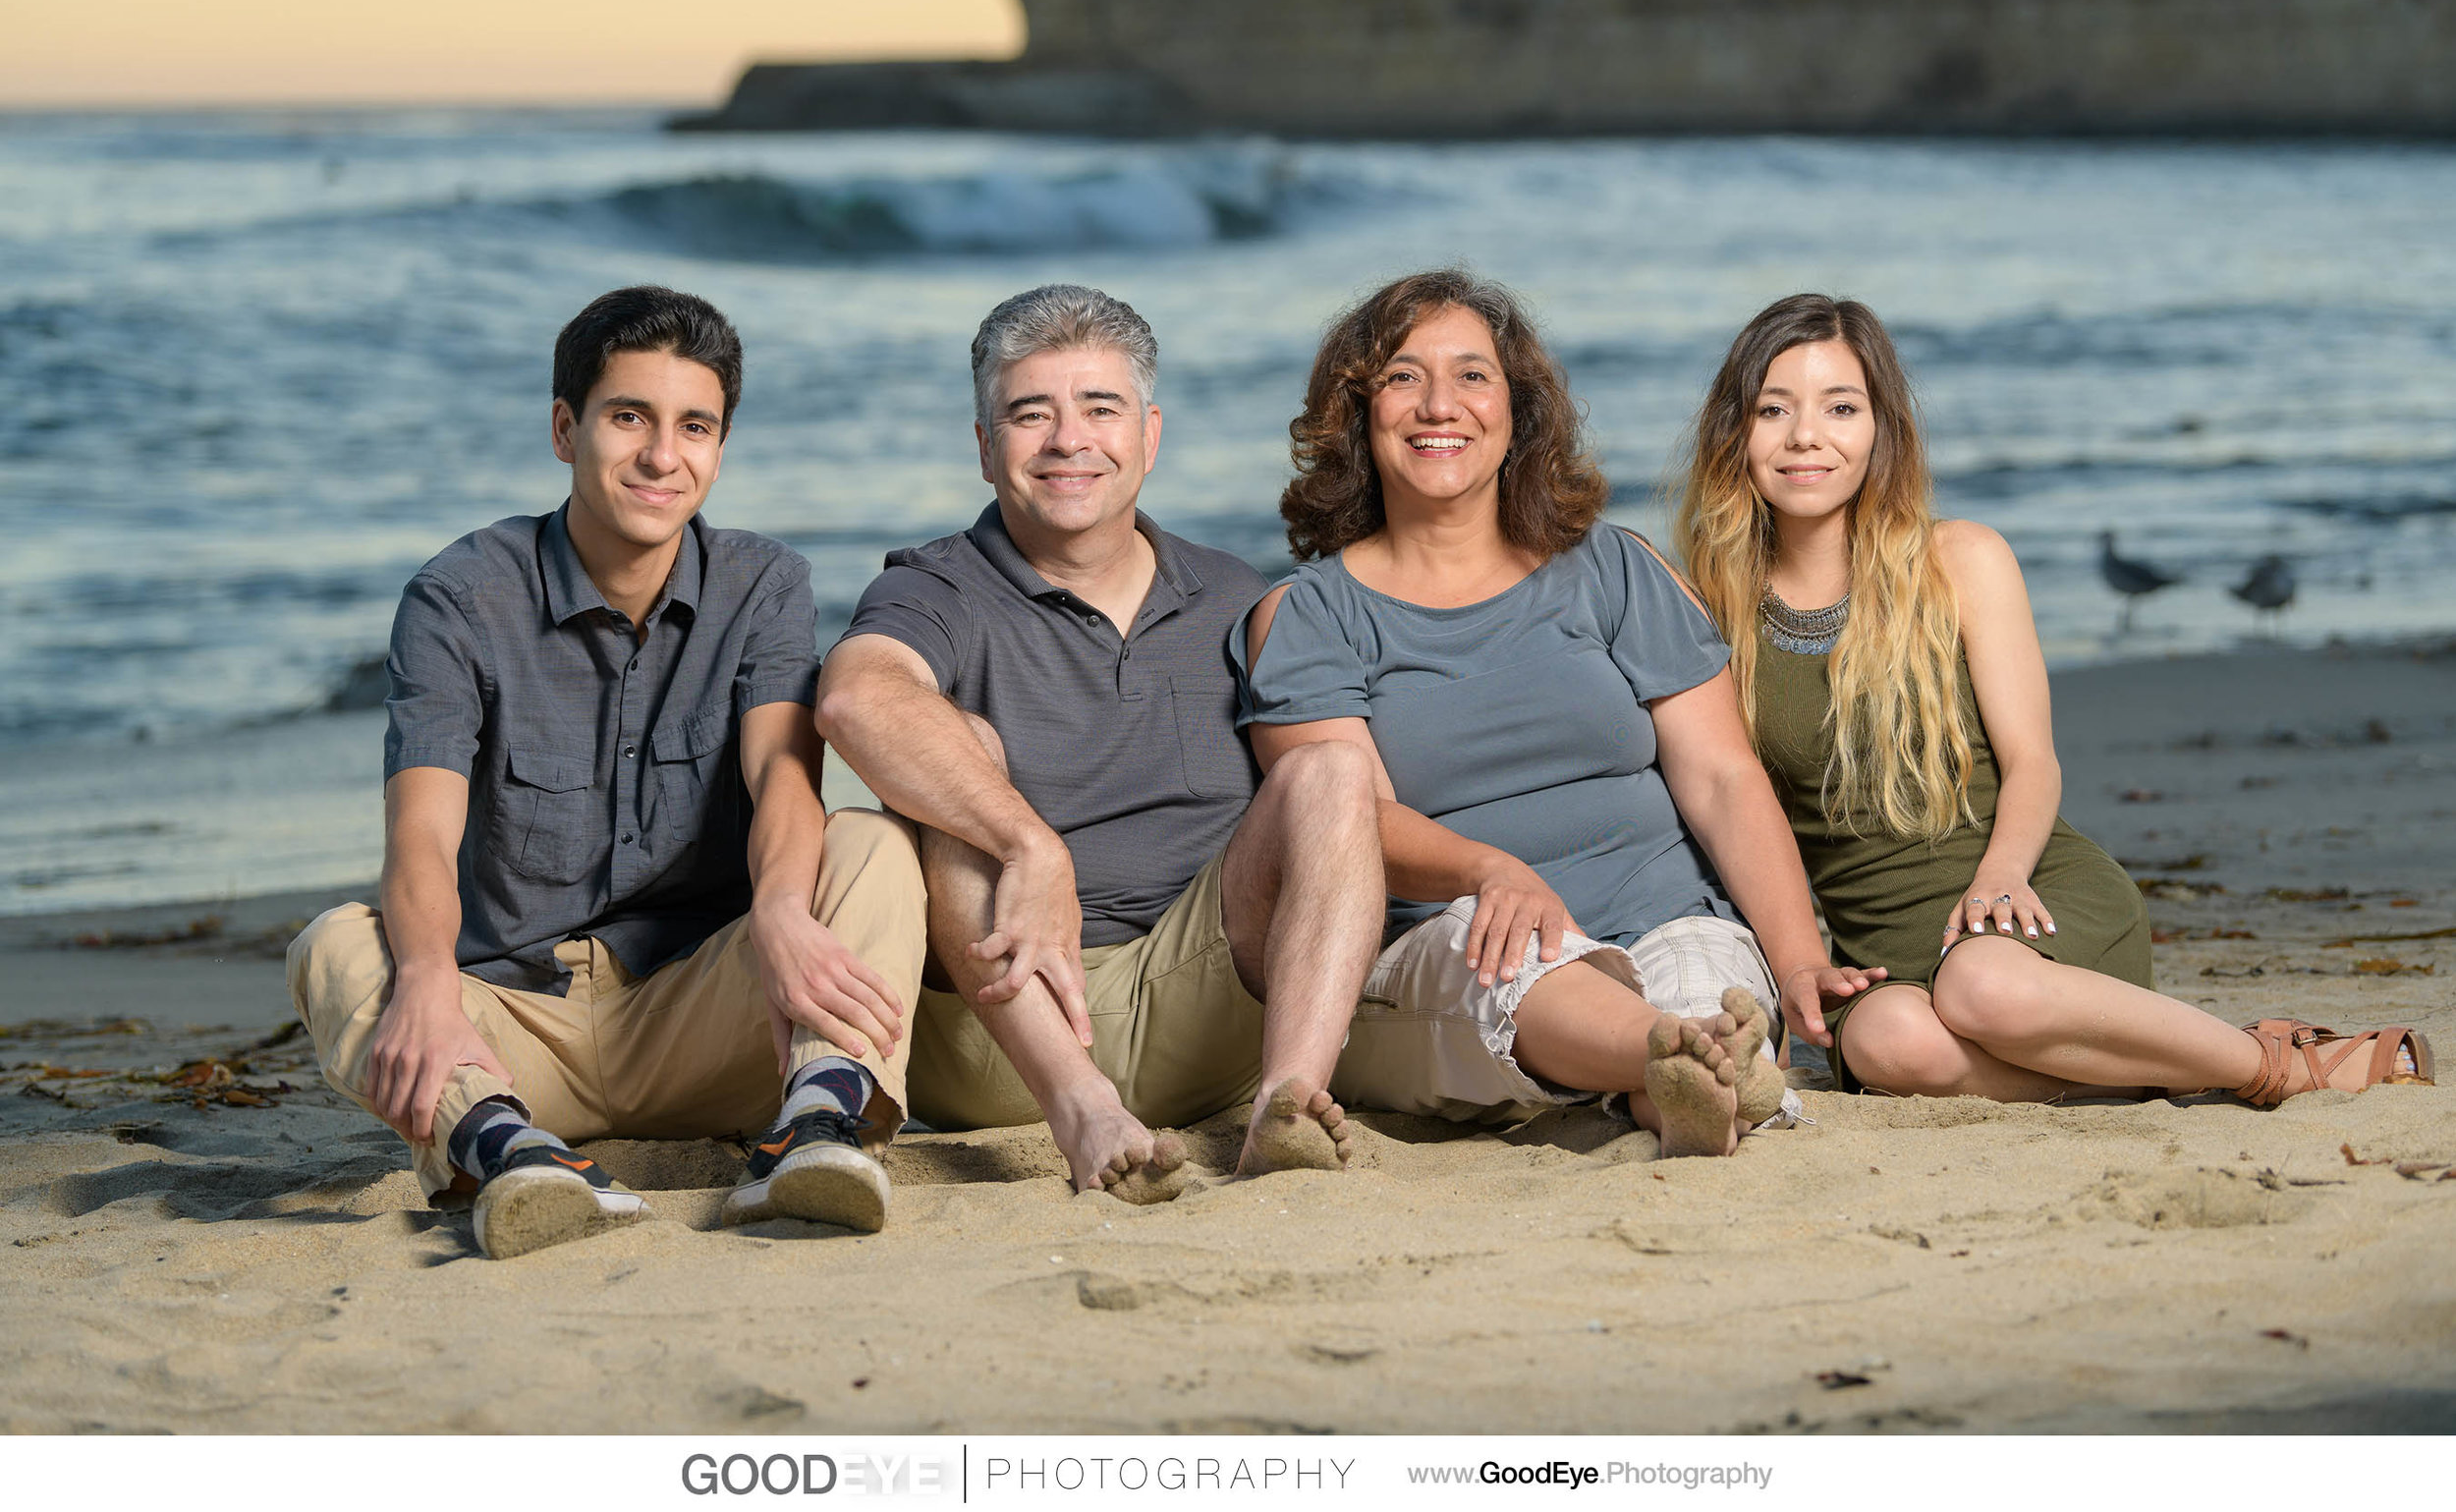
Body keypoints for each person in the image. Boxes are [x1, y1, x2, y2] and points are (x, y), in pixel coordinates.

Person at [288, 287, 929, 1259]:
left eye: (695, 426)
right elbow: (421, 830)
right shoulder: (458, 598)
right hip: (510, 1031)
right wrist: (424, 977)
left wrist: (785, 911)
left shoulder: (763, 584)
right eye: (629, 416)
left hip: (707, 1019)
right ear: (564, 427)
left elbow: (783, 779)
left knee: (870, 842)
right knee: (333, 946)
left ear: (719, 445)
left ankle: (815, 1127)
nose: (662, 455)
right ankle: (514, 1156)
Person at [1671, 293, 2433, 1103]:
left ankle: (2271, 1063)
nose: (1806, 437)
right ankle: (2130, 1075)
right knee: (1892, 1047)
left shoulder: (1961, 560)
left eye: (1841, 407)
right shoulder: (1705, 609)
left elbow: (2033, 760)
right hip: (1886, 956)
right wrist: (1792, 964)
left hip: (2027, 902)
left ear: (1881, 428)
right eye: (1774, 409)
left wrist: (1999, 878)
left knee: (1984, 989)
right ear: (1736, 432)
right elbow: (1727, 806)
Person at [1231, 270, 1876, 1157]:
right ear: (1357, 412)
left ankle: (1681, 1083)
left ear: (1518, 409)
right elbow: (1350, 822)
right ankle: (1671, 1059)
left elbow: (1724, 779)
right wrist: (1490, 869)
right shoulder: (1308, 614)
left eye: (1471, 376)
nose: (1438, 406)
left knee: (1705, 981)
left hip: (1666, 912)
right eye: (1403, 377)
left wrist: (1800, 957)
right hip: (1458, 939)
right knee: (1530, 971)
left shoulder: (1614, 566)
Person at [814, 284, 1386, 1197]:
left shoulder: (1232, 592)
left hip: (1214, 1018)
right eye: (1030, 414)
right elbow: (853, 700)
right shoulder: (937, 588)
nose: (1068, 440)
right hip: (1005, 1035)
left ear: (1149, 436)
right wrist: (1028, 842)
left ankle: (1288, 1104)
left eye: (1100, 409)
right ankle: (1084, 1108)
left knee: (1329, 773)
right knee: (950, 741)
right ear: (984, 446)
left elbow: (1339, 826)